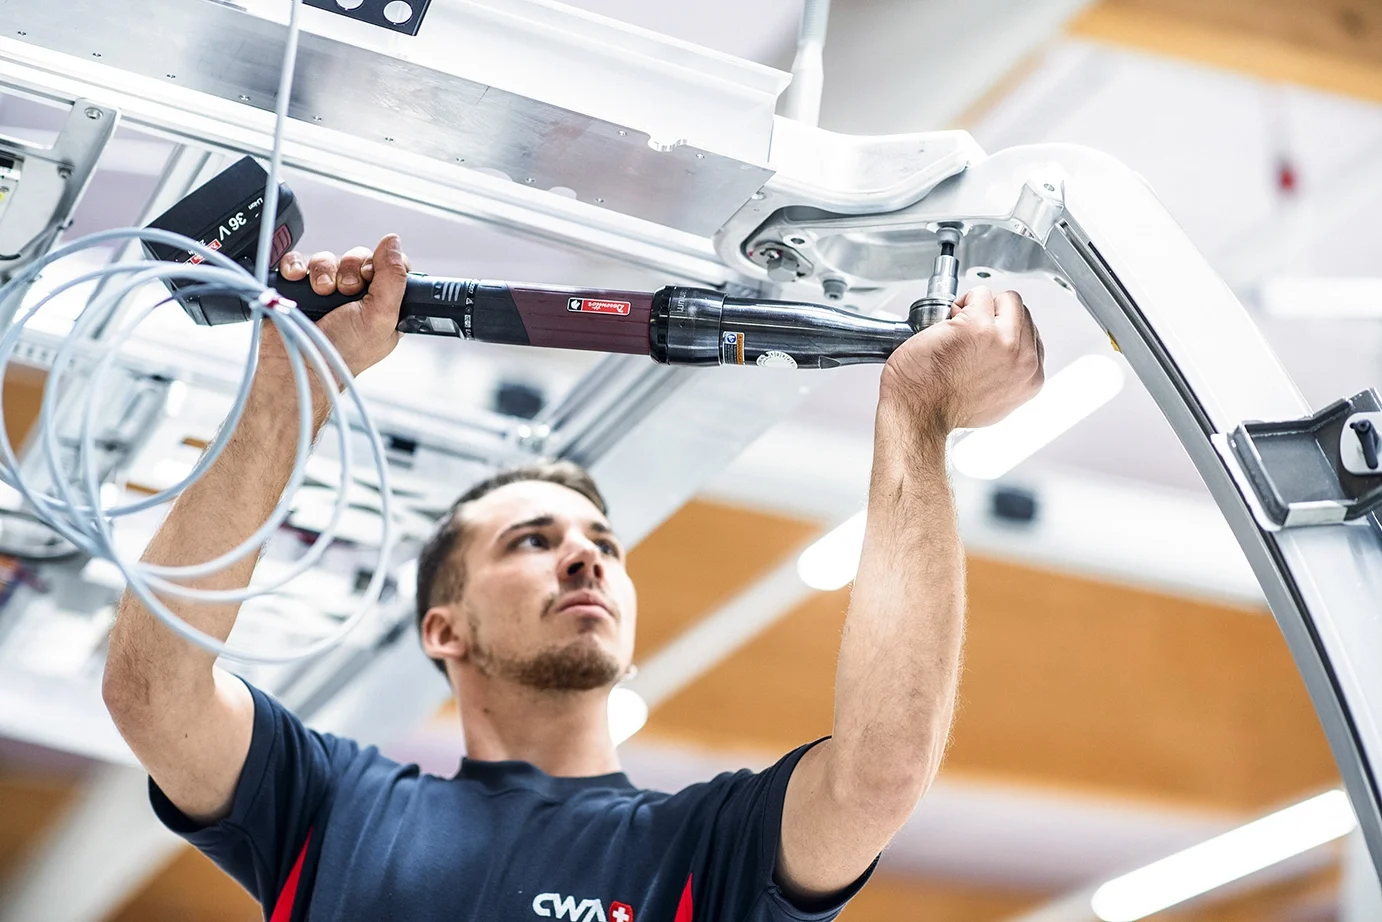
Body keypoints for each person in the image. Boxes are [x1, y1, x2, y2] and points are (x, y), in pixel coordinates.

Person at [103, 234, 1044, 922]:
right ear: (445, 630)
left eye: (601, 542)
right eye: (531, 542)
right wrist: (292, 380)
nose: (586, 556)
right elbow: (153, 690)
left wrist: (917, 416)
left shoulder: (704, 851)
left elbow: (880, 775)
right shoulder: (334, 809)